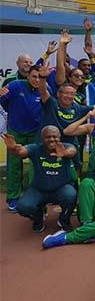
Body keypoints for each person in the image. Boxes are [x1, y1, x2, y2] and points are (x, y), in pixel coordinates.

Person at [38, 61, 95, 172]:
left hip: (70, 143)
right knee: (46, 169)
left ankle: (74, 187)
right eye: (66, 93)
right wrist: (42, 77)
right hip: (50, 142)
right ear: (58, 94)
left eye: (72, 94)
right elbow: (43, 92)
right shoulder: (52, 103)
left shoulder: (78, 108)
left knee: (75, 169)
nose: (69, 96)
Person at [2, 126, 77, 232]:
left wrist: (64, 153)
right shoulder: (36, 148)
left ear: (59, 137)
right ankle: (38, 216)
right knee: (23, 207)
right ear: (42, 138)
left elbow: (72, 151)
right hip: (39, 190)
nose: (51, 139)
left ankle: (64, 220)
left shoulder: (65, 146)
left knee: (71, 195)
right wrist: (14, 148)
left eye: (54, 137)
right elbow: (21, 151)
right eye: (48, 137)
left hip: (61, 189)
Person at [0, 66, 50, 212]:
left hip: (36, 132)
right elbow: (3, 103)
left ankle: (33, 197)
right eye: (33, 76)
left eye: (39, 77)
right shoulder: (15, 85)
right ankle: (13, 198)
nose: (36, 80)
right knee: (14, 166)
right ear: (27, 76)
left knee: (36, 166)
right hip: (15, 131)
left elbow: (49, 106)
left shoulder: (45, 88)